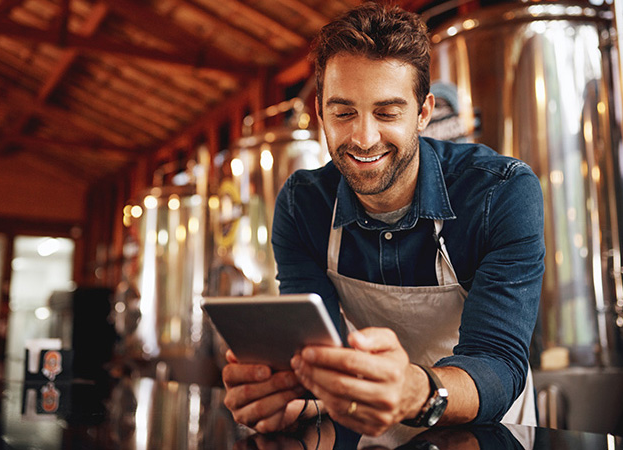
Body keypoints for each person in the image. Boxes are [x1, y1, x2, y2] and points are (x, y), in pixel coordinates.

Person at [222, 2, 544, 438]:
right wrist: (286, 396)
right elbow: (320, 352)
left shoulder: (500, 193)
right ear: (320, 115)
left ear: (424, 112)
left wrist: (418, 391)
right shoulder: (304, 205)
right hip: (366, 435)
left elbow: (497, 361)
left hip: (486, 431)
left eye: (388, 112)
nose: (364, 138)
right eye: (343, 113)